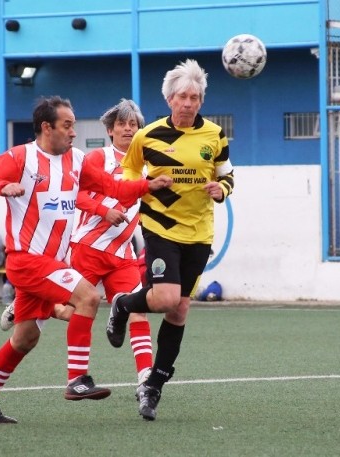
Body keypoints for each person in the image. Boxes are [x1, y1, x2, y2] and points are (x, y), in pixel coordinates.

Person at [0, 95, 172, 424]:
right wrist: (3, 186)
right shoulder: (23, 157)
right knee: (88, 296)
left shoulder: (77, 160)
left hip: (54, 263)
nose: (74, 131)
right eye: (67, 125)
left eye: (74, 124)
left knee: (26, 338)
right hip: (28, 260)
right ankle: (77, 379)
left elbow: (111, 188)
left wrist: (148, 185)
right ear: (47, 128)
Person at [106, 59, 234, 421]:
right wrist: (145, 185)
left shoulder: (214, 135)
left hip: (199, 231)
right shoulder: (147, 137)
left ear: (201, 101)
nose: (189, 103)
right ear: (169, 100)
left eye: (195, 97)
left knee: (179, 309)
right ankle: (123, 305)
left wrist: (220, 189)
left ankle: (153, 387)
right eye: (182, 97)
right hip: (160, 226)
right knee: (165, 299)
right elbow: (129, 170)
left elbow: (227, 174)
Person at [0, 99, 156, 387]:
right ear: (110, 130)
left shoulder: (146, 165)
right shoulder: (98, 158)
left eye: (133, 124)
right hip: (88, 247)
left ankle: (146, 378)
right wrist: (103, 211)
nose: (128, 129)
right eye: (121, 124)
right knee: (76, 309)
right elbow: (76, 195)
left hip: (123, 253)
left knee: (138, 310)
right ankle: (35, 306)